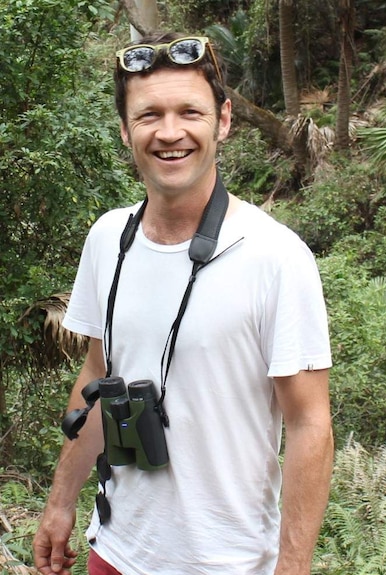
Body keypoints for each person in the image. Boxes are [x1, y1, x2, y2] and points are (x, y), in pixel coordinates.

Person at [32, 31, 333, 575]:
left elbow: (311, 423)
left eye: (189, 112)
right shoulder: (108, 239)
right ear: (126, 131)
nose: (170, 133)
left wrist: (293, 567)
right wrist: (60, 500)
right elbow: (99, 371)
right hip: (116, 549)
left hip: (230, 561)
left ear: (222, 120)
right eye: (149, 116)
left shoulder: (276, 256)